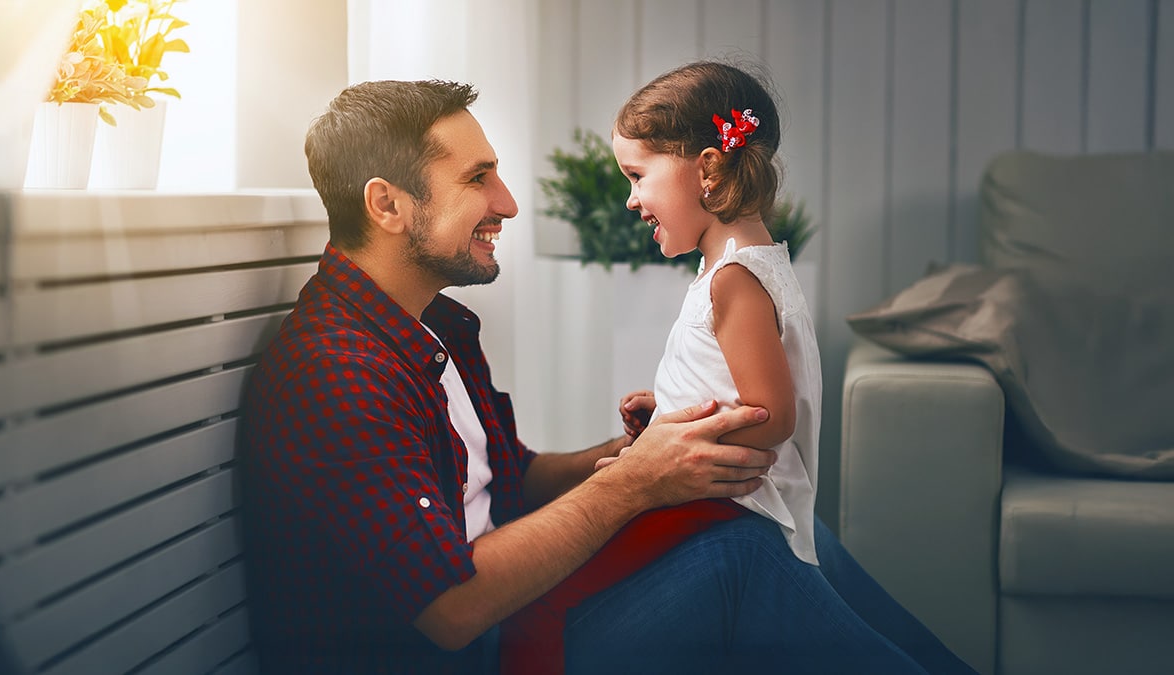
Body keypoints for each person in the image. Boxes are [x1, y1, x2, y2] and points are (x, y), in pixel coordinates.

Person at [239, 75, 975, 675]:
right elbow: (450, 610)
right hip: (485, 648)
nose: (507, 202)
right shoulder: (337, 369)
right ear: (387, 204)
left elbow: (509, 475)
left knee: (787, 527)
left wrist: (636, 454)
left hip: (520, 608)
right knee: (741, 554)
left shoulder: (435, 324)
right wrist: (635, 482)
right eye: (478, 178)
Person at [499, 61, 979, 675]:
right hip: (718, 501)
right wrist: (670, 416)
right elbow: (737, 383)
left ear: (706, 167)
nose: (631, 199)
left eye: (638, 175)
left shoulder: (734, 280)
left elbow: (770, 415)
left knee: (563, 591)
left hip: (721, 509)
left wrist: (674, 451)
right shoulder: (740, 265)